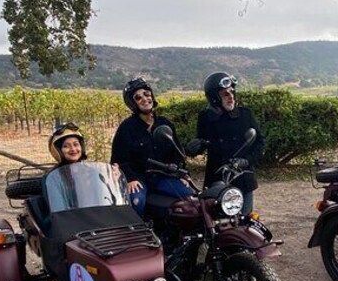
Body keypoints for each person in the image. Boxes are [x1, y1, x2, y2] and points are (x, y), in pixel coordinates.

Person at [110, 77, 192, 216]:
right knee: (137, 201)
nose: (144, 99)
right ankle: (138, 229)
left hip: (163, 176)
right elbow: (118, 159)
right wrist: (130, 179)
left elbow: (177, 152)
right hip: (139, 177)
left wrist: (183, 174)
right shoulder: (126, 128)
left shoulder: (165, 124)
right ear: (132, 103)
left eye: (147, 94)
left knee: (189, 195)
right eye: (138, 97)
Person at [196, 72, 265, 214]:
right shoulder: (205, 118)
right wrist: (194, 147)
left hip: (242, 177)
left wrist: (247, 161)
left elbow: (259, 143)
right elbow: (202, 142)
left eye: (232, 92)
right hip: (216, 179)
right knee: (214, 222)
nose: (231, 96)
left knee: (245, 220)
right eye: (225, 94)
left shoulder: (245, 114)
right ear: (214, 97)